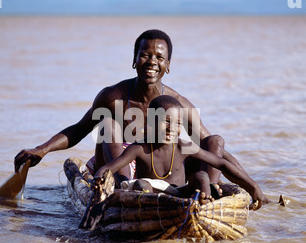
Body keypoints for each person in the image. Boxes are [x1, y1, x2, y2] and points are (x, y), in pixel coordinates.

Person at [14, 29, 270, 208]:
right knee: (109, 125)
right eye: (145, 55)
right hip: (119, 168)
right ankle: (123, 195)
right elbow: (80, 129)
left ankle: (208, 200)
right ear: (134, 59)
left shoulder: (177, 104)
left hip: (165, 171)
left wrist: (252, 185)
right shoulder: (113, 96)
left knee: (214, 139)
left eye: (160, 57)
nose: (152, 62)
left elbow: (217, 152)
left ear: (168, 65)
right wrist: (42, 150)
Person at [93, 95, 268, 208]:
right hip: (149, 195)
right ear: (150, 123)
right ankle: (149, 213)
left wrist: (253, 187)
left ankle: (205, 205)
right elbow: (109, 168)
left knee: (202, 177)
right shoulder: (140, 148)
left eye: (177, 124)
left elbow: (220, 163)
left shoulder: (184, 146)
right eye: (165, 121)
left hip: (177, 194)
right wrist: (99, 177)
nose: (172, 128)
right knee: (141, 185)